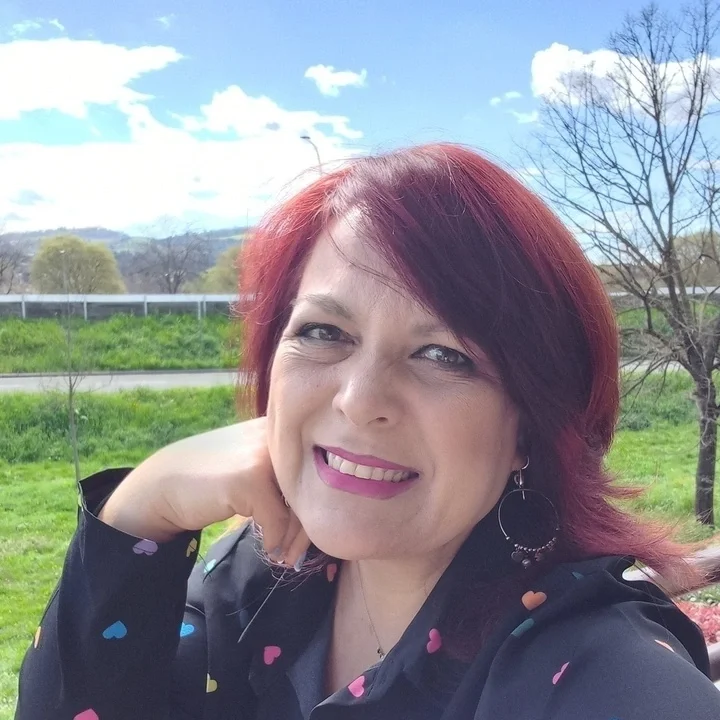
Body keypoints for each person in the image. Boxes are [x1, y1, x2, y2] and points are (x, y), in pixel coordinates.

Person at [15, 143, 720, 720]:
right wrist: (144, 506)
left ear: (530, 427)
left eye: (443, 354)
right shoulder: (260, 579)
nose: (358, 401)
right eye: (325, 332)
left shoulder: (598, 679)